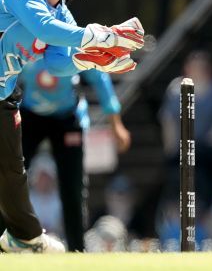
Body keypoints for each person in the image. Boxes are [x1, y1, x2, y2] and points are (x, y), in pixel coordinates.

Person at [0, 0, 144, 253]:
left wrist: (89, 62)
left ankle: (23, 238)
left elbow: (57, 65)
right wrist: (95, 37)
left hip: (4, 95)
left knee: (12, 170)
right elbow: (44, 30)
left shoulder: (63, 13)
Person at [12, 59, 130, 252]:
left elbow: (99, 76)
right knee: (10, 178)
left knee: (72, 186)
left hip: (68, 117)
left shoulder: (71, 41)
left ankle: (76, 249)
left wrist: (115, 122)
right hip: (31, 115)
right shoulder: (26, 41)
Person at [159, 50, 212, 210]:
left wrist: (209, 143)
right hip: (182, 152)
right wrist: (171, 150)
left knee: (206, 186)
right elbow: (167, 119)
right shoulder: (175, 89)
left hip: (208, 154)